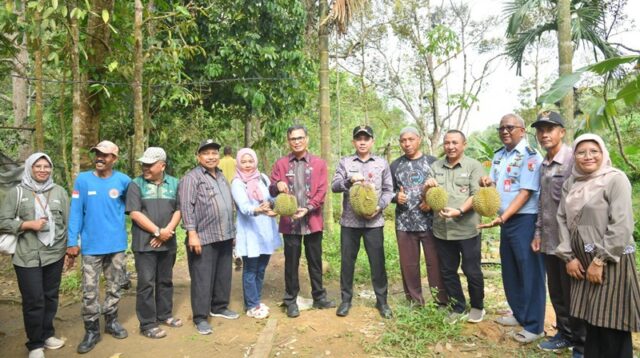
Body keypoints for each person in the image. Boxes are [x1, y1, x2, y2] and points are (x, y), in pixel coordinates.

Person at [556, 134, 640, 358]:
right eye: (581, 152)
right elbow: (562, 220)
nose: (588, 156)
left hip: (612, 259)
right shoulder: (570, 184)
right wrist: (569, 257)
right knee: (592, 319)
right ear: (574, 156)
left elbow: (622, 224)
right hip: (581, 262)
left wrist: (600, 260)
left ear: (603, 153)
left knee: (612, 320)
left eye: (594, 151)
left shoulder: (615, 179)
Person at [477, 114, 545, 343]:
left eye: (510, 127)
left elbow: (526, 192)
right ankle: (519, 314)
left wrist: (503, 217)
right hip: (505, 221)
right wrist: (486, 182)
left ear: (522, 130)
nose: (505, 131)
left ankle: (535, 326)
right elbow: (494, 183)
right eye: (501, 128)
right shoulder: (499, 156)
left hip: (525, 220)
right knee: (511, 271)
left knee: (530, 272)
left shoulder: (530, 156)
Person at [0, 153, 69, 358]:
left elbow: (67, 222)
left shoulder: (59, 192)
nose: (42, 170)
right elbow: (3, 220)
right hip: (26, 255)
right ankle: (35, 344)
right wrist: (26, 225)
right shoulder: (17, 192)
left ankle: (48, 334)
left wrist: (70, 249)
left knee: (50, 296)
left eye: (46, 166)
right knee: (33, 300)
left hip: (54, 254)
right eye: (37, 166)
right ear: (30, 168)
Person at [66, 140, 131, 354]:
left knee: (114, 286)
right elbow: (75, 212)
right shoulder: (83, 180)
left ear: (114, 158)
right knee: (89, 291)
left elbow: (135, 209)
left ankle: (111, 322)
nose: (100, 158)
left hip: (116, 245)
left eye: (105, 155)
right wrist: (71, 242)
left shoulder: (124, 181)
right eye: (97, 154)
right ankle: (92, 330)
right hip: (91, 246)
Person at [529, 111, 585, 357]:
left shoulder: (575, 159)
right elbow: (543, 203)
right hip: (551, 240)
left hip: (572, 241)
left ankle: (583, 344)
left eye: (550, 129)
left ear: (562, 132)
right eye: (540, 130)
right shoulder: (544, 163)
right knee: (558, 292)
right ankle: (565, 334)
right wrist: (538, 232)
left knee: (577, 293)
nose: (544, 134)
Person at [269, 124, 335, 318]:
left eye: (300, 138)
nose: (296, 142)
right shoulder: (281, 164)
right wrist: (277, 184)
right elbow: (272, 190)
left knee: (315, 261)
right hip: (290, 224)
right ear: (288, 141)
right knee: (291, 262)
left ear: (306, 139)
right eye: (292, 139)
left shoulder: (319, 163)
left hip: (312, 220)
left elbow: (322, 191)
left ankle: (319, 297)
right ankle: (290, 300)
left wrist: (308, 207)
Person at [332, 125, 394, 319]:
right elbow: (334, 186)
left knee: (378, 263)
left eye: (366, 138)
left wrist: (379, 207)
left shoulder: (382, 163)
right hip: (350, 222)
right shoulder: (345, 162)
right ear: (353, 142)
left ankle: (382, 301)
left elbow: (388, 190)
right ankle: (346, 300)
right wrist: (349, 181)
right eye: (358, 138)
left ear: (372, 141)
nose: (362, 141)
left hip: (374, 223)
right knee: (347, 262)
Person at [178, 139, 238, 335]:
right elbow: (186, 207)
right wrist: (192, 234)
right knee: (202, 277)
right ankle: (200, 317)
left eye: (214, 153)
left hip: (224, 234)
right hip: (202, 236)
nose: (211, 156)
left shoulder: (221, 176)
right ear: (199, 157)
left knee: (223, 274)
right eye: (206, 153)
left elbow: (229, 204)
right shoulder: (191, 178)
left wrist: (233, 232)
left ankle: (219, 306)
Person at [428, 130, 485, 324]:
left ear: (464, 144)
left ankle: (477, 306)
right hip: (442, 229)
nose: (450, 147)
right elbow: (427, 198)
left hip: (467, 229)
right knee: (448, 270)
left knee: (472, 269)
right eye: (447, 143)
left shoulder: (473, 166)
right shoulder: (435, 166)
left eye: (455, 142)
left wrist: (459, 211)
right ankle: (458, 306)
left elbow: (477, 195)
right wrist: (426, 187)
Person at [126, 147, 182, 339]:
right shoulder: (136, 184)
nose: (145, 167)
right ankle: (148, 323)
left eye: (150, 164)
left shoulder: (175, 183)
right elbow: (134, 212)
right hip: (145, 243)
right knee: (146, 283)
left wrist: (167, 232)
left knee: (165, 280)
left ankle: (165, 314)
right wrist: (157, 232)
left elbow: (179, 210)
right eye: (144, 164)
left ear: (162, 166)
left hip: (168, 241)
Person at [389, 126, 448, 307]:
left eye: (410, 139)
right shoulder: (395, 165)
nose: (407, 144)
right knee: (409, 265)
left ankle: (441, 301)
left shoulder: (433, 162)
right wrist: (395, 197)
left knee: (435, 264)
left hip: (430, 223)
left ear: (419, 139)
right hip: (405, 223)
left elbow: (442, 187)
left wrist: (430, 203)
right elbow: (387, 190)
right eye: (403, 141)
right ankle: (415, 301)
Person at [230, 148, 281, 319]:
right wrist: (258, 210)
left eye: (250, 161)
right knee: (250, 269)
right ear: (238, 163)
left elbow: (271, 199)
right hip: (250, 231)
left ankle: (256, 300)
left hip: (265, 231)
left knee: (261, 268)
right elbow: (244, 207)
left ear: (255, 161)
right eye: (243, 162)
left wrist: (272, 205)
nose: (247, 165)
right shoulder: (237, 183)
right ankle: (251, 306)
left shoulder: (263, 178)